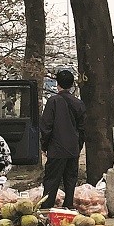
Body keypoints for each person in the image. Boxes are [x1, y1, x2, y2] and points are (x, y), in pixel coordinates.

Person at [39, 70, 86, 210]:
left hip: (56, 148)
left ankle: (47, 209)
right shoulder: (78, 103)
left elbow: (46, 126)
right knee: (70, 181)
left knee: (51, 180)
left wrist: (44, 145)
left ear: (57, 84)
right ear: (72, 85)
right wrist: (78, 146)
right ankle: (69, 208)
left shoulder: (53, 101)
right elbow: (82, 129)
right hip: (72, 148)